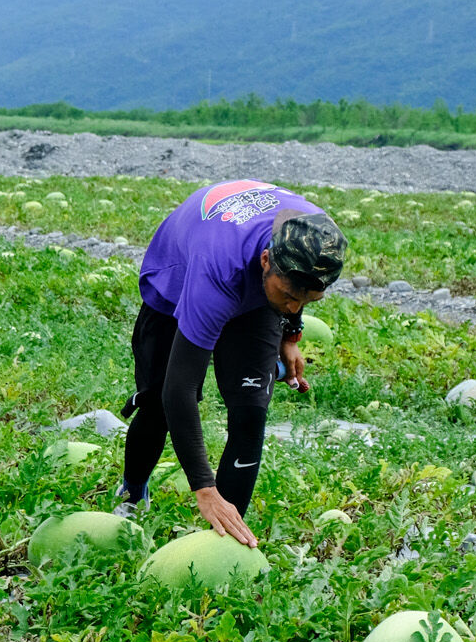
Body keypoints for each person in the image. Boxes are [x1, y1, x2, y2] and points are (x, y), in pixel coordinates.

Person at [116, 180, 347, 544]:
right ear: (266, 260)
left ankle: (222, 541)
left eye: (307, 301)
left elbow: (296, 293)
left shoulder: (315, 239)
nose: (294, 307)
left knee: (250, 412)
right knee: (160, 401)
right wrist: (204, 489)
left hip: (252, 285)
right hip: (179, 278)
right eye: (288, 296)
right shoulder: (216, 272)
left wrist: (290, 335)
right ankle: (131, 494)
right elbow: (181, 389)